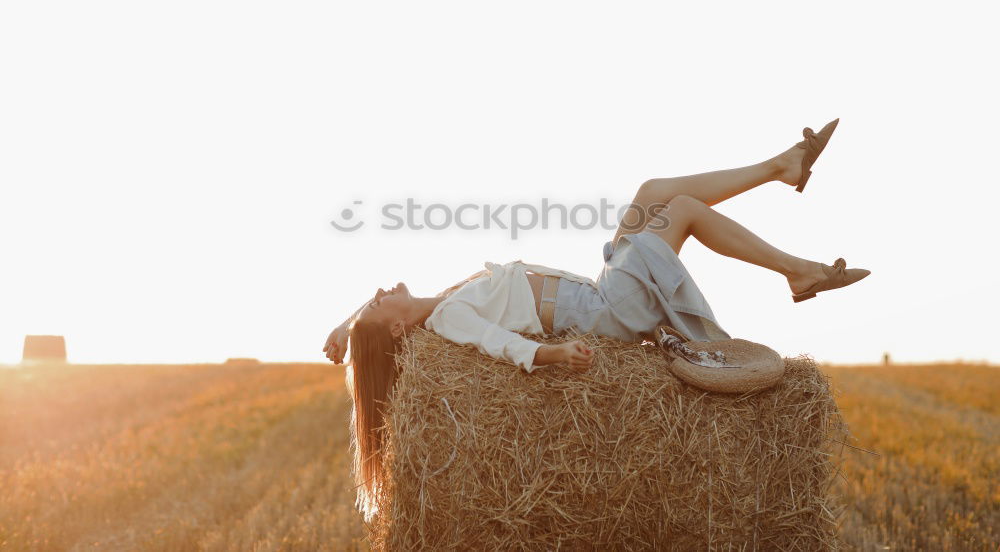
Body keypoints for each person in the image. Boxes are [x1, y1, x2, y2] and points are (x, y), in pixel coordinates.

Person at [323, 118, 869, 516]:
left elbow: (380, 311)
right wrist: (553, 354)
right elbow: (500, 345)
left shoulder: (439, 302)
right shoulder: (447, 321)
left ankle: (781, 167)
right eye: (377, 303)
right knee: (678, 211)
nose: (378, 290)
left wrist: (347, 325)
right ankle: (797, 271)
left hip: (596, 290)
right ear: (396, 329)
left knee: (652, 192)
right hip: (606, 311)